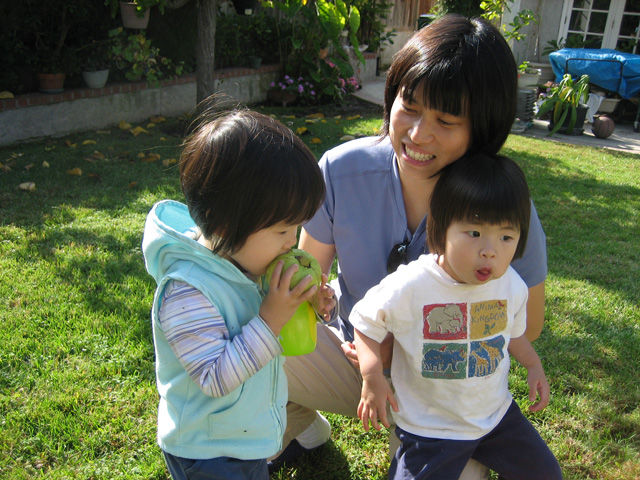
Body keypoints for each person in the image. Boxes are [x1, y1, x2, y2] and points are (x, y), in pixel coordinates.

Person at [274, 13, 548, 479]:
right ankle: (291, 427)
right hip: (355, 359)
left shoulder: (504, 212)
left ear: (481, 128)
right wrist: (335, 318)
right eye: (411, 105)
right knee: (247, 338)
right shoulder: (340, 170)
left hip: (443, 385)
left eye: (446, 120)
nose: (419, 135)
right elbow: (308, 288)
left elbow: (528, 324)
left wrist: (407, 349)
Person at [141, 108, 334, 480]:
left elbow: (281, 334)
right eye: (282, 231)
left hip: (246, 437)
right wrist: (271, 318)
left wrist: (314, 303)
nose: (291, 242)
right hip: (208, 451)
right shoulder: (186, 291)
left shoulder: (248, 261)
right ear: (228, 223)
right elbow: (214, 377)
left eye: (295, 229)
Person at [352, 153, 562, 479]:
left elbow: (513, 334)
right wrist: (373, 377)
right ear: (442, 225)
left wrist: (533, 365)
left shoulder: (509, 285)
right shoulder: (411, 285)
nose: (490, 250)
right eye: (475, 233)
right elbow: (365, 324)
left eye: (506, 237)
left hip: (495, 418)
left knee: (546, 473)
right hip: (431, 427)